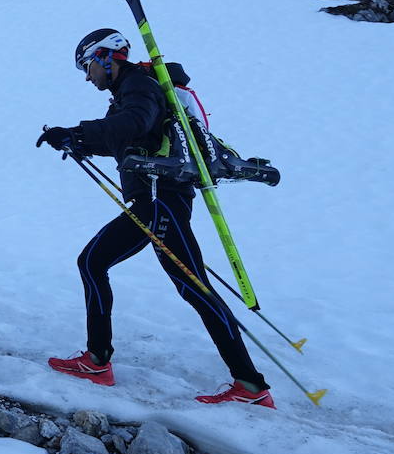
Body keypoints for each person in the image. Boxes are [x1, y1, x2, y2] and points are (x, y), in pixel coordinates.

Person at [36, 28, 274, 407]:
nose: (87, 76)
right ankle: (97, 361)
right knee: (96, 263)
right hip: (154, 200)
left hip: (159, 200)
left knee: (192, 287)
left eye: (87, 67)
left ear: (103, 57)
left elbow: (132, 125)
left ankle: (249, 385)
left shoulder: (140, 88)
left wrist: (78, 132)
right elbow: (125, 136)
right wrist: (76, 141)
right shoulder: (131, 91)